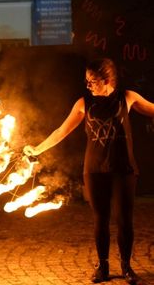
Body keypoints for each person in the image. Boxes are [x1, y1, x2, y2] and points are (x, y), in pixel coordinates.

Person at [23, 58, 154, 284]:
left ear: (107, 80)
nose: (88, 85)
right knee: (100, 219)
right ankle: (102, 267)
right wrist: (37, 149)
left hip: (124, 169)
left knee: (125, 220)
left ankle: (126, 267)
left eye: (92, 81)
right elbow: (61, 131)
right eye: (87, 81)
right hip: (94, 169)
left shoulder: (127, 97)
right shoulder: (84, 103)